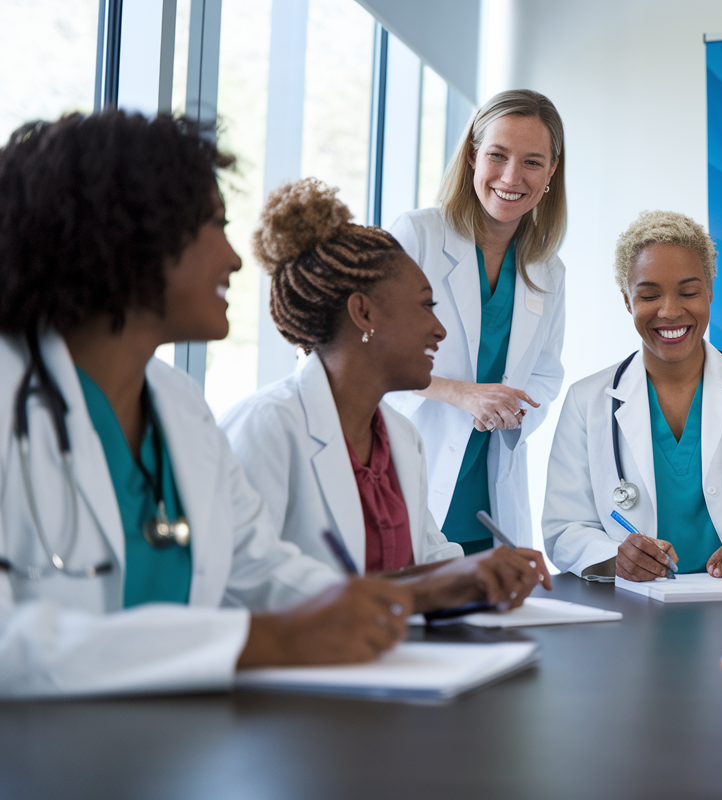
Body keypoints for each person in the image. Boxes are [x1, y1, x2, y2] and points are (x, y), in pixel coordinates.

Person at [0, 111, 411, 698]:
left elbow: (257, 564)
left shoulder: (179, 405)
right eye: (213, 227)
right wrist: (263, 642)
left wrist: (397, 602)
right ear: (133, 235)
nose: (235, 258)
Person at [221, 178, 550, 607]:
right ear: (363, 312)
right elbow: (243, 583)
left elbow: (429, 555)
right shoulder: (266, 426)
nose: (440, 329)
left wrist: (478, 572)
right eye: (425, 306)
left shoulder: (399, 436)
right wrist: (418, 589)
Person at [542, 211, 722, 581]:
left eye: (689, 292)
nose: (670, 311)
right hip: (635, 608)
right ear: (627, 301)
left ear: (710, 290)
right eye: (648, 295)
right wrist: (617, 557)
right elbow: (564, 527)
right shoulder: (587, 401)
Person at [384, 89, 567, 553]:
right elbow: (370, 353)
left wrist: (510, 410)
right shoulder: (418, 235)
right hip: (410, 475)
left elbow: (546, 372)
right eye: (497, 155)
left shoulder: (548, 268)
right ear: (472, 156)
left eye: (531, 162)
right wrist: (463, 395)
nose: (511, 177)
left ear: (551, 172)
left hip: (490, 499)